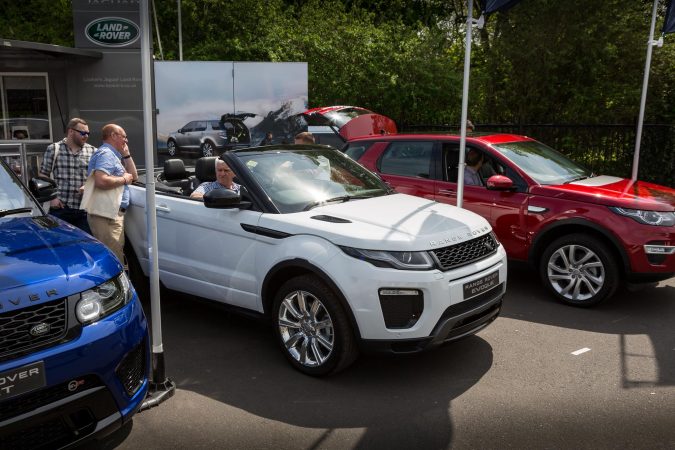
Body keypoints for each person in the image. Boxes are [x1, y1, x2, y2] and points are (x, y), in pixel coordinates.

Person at [86, 124, 138, 264]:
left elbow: (133, 176)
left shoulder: (113, 155)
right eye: (124, 137)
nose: (126, 141)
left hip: (110, 213)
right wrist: (123, 179)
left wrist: (126, 155)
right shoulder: (107, 154)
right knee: (113, 258)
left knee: (114, 253)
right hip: (106, 214)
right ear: (113, 135)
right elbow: (101, 181)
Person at [39, 118, 96, 233]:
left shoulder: (93, 151)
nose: (86, 136)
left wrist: (87, 187)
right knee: (60, 245)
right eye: (83, 133)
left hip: (84, 210)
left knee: (85, 246)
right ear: (71, 131)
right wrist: (52, 198)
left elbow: (97, 176)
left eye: (88, 133)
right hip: (60, 209)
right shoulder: (54, 149)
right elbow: (43, 175)